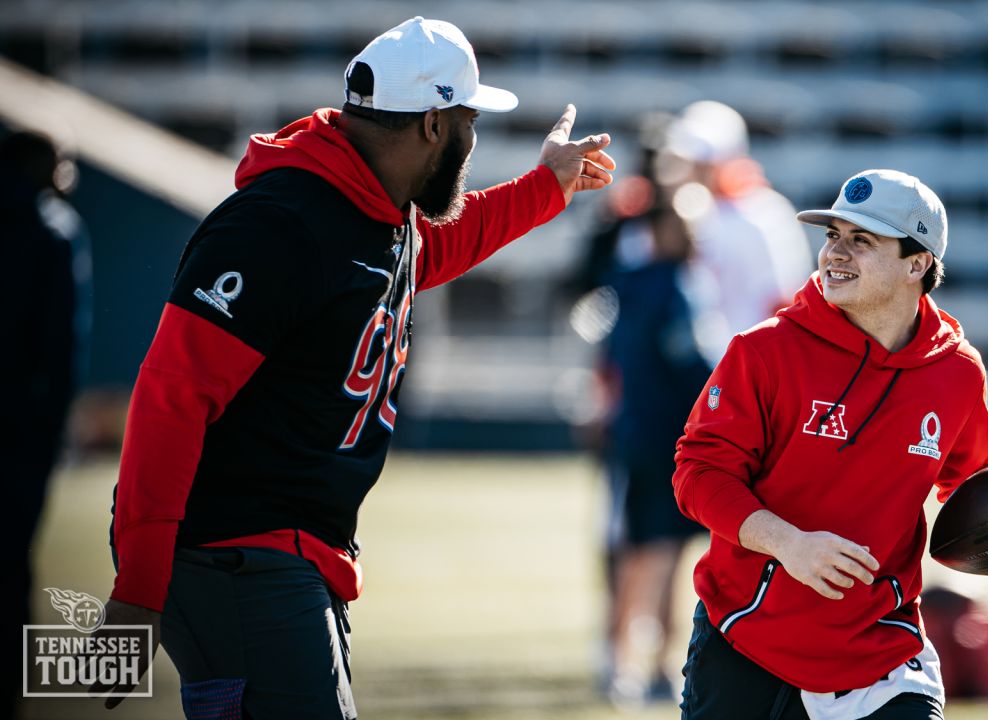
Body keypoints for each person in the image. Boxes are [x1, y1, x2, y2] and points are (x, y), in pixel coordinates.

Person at [95, 17, 614, 718]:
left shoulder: (376, 212)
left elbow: (439, 247)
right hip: (237, 547)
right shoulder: (280, 223)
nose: (472, 140)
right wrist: (137, 595)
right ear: (434, 125)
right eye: (469, 120)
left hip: (289, 550)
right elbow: (171, 397)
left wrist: (547, 186)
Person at [672, 169, 988, 720]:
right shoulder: (763, 351)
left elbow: (980, 480)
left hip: (881, 648)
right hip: (748, 636)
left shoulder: (957, 372)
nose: (835, 253)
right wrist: (788, 543)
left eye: (861, 240)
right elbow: (698, 473)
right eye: (833, 235)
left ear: (917, 264)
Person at [580, 114, 716, 705]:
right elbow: (694, 368)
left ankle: (630, 663)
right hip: (662, 437)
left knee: (647, 552)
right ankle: (636, 664)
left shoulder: (631, 281)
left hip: (638, 432)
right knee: (653, 553)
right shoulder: (670, 286)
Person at [1, 129, 91, 714]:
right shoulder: (53, 229)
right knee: (10, 567)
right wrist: (52, 434)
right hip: (18, 433)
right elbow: (61, 352)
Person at [665, 100, 814, 349]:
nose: (697, 171)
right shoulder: (677, 211)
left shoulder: (767, 214)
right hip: (688, 368)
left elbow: (785, 302)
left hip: (746, 366)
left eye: (706, 164)